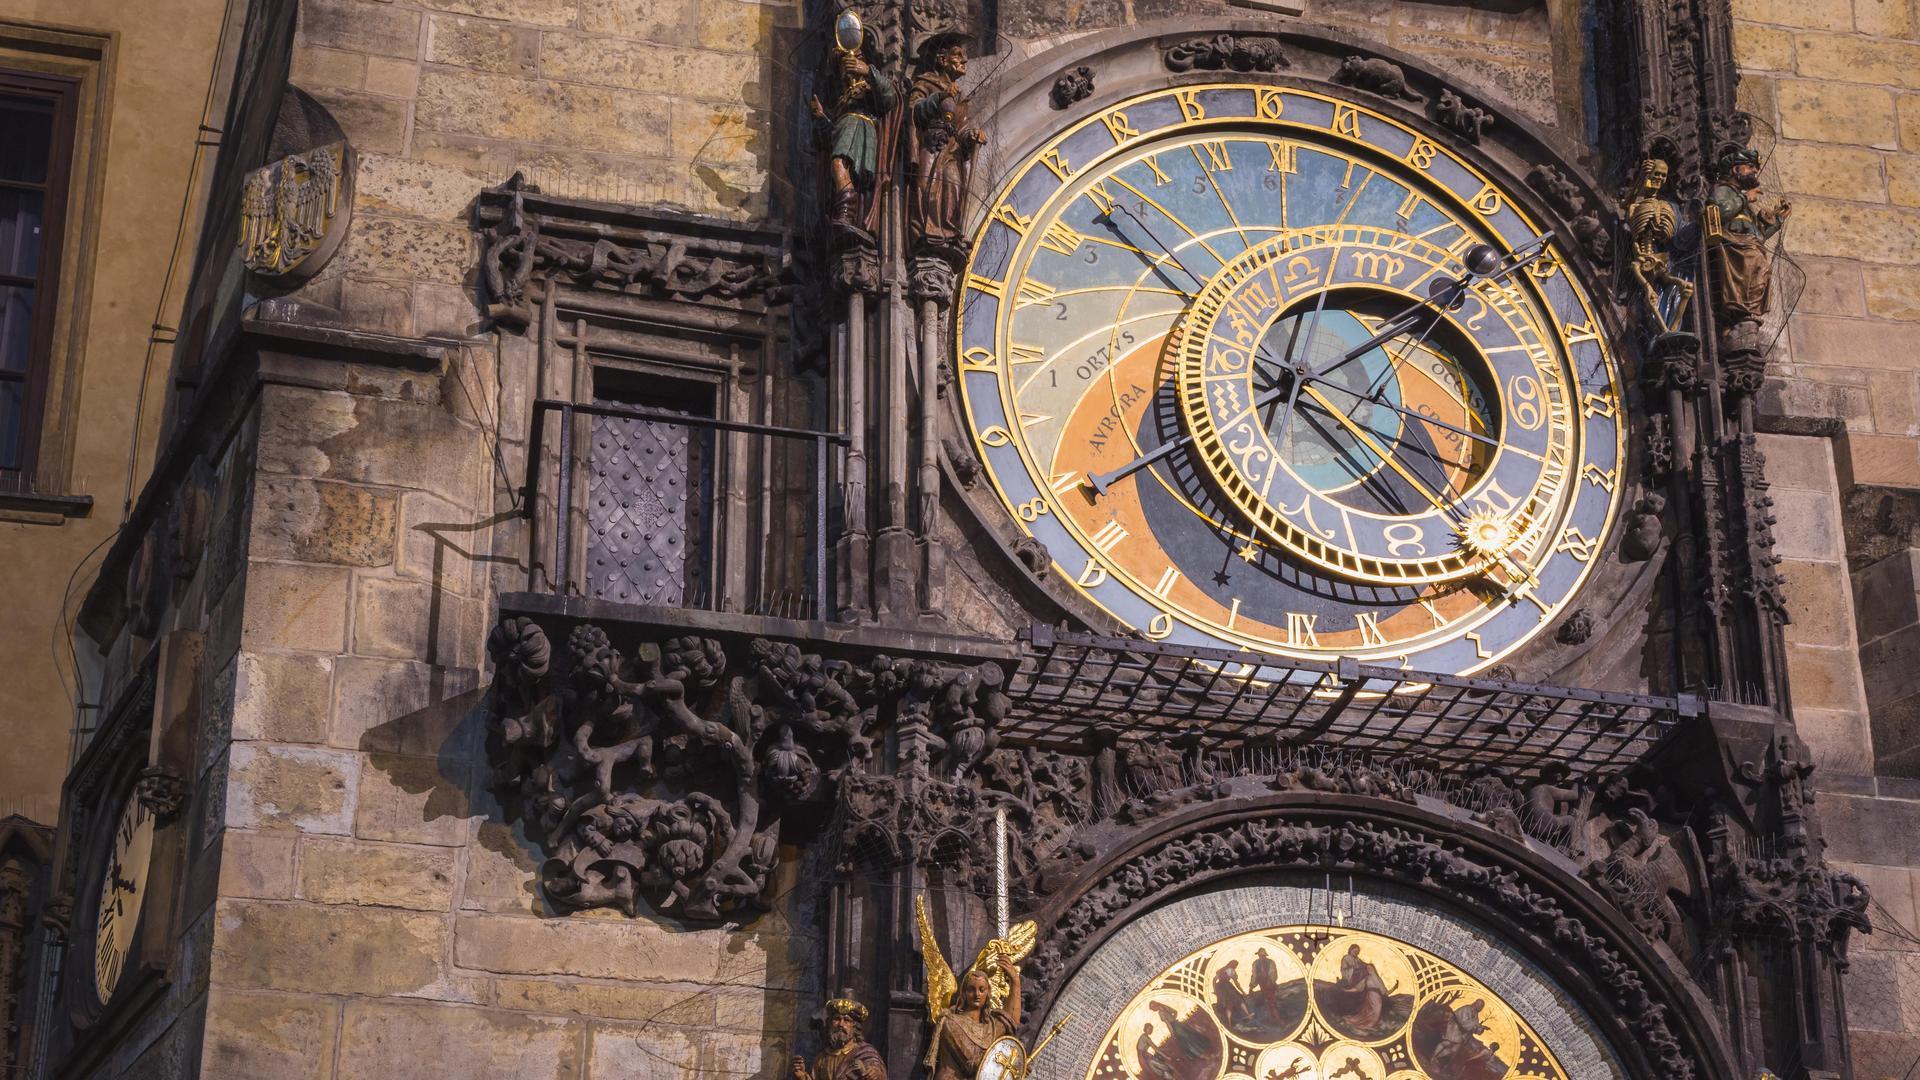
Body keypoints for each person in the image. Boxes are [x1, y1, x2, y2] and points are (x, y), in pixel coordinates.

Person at [908, 32, 986, 252]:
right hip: (931, 143)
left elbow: (961, 127)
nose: (964, 60)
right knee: (928, 186)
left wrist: (972, 135)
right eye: (957, 55)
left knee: (952, 187)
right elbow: (914, 111)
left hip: (951, 150)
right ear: (942, 60)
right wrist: (939, 98)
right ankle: (927, 230)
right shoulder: (926, 83)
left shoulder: (960, 96)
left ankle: (949, 231)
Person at [809, 36, 896, 229]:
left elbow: (890, 97)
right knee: (838, 165)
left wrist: (867, 70)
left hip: (860, 127)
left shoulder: (866, 87)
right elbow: (829, 137)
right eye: (843, 64)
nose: (847, 66)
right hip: (846, 128)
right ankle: (846, 214)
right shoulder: (840, 100)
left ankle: (847, 213)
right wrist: (821, 116)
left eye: (853, 60)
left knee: (838, 163)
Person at [1706, 146, 1790, 327]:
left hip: (1749, 245)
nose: (1754, 172)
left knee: (1762, 273)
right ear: (1736, 169)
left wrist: (1778, 220)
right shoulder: (1723, 189)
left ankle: (1748, 313)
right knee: (1755, 268)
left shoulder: (1742, 200)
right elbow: (1720, 211)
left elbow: (1758, 235)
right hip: (1734, 246)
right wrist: (1745, 197)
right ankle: (1741, 314)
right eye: (1750, 167)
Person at [924, 959, 1022, 1080]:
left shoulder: (989, 1027)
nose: (977, 994)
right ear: (964, 993)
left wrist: (1015, 982)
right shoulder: (951, 1023)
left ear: (988, 994)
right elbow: (974, 1062)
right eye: (971, 989)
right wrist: (1010, 1065)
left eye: (982, 990)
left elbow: (1011, 1021)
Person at [791, 994, 887, 1080]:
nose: (841, 1024)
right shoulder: (821, 1058)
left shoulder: (866, 1053)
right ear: (830, 1024)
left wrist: (876, 1074)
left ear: (855, 1027)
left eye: (846, 1020)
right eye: (837, 1019)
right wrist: (803, 1077)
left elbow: (876, 1071)